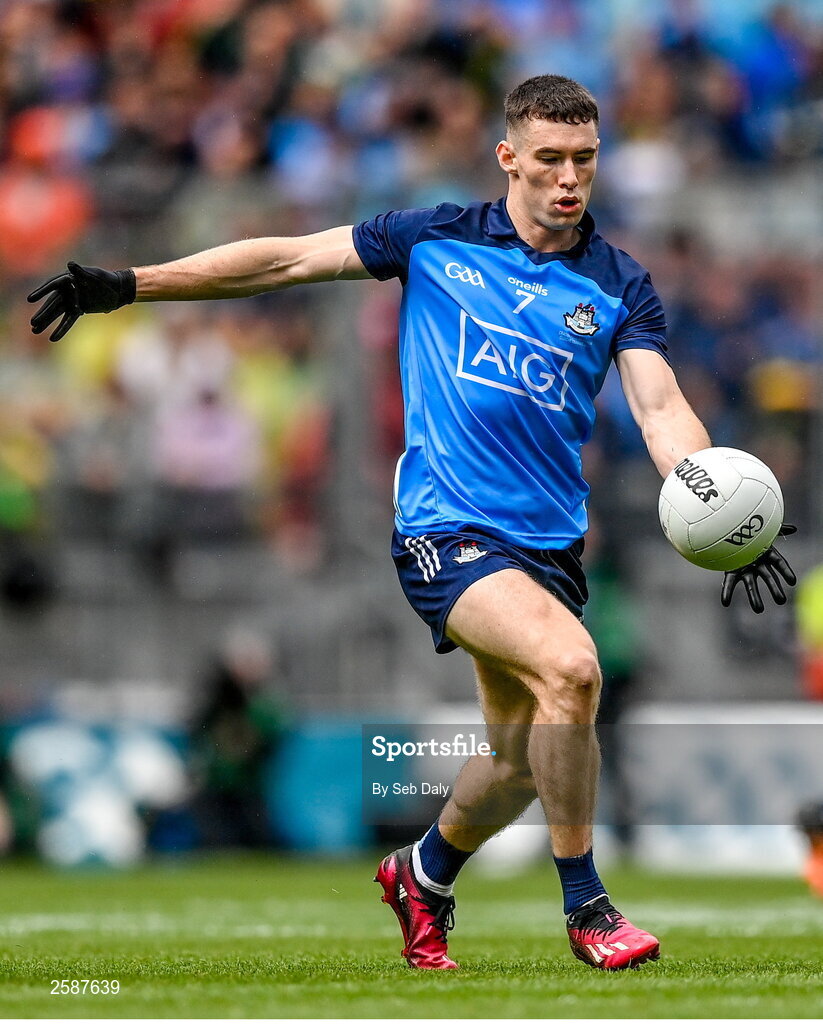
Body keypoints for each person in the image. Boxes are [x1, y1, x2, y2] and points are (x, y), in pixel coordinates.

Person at [28, 74, 796, 972]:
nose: (567, 179)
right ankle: (588, 909)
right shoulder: (432, 238)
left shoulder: (619, 283)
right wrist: (132, 283)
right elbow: (283, 261)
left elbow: (660, 410)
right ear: (508, 157)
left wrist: (717, 506)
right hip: (444, 529)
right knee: (573, 670)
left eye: (583, 160)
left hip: (548, 548)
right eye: (549, 159)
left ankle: (421, 874)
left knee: (518, 761)